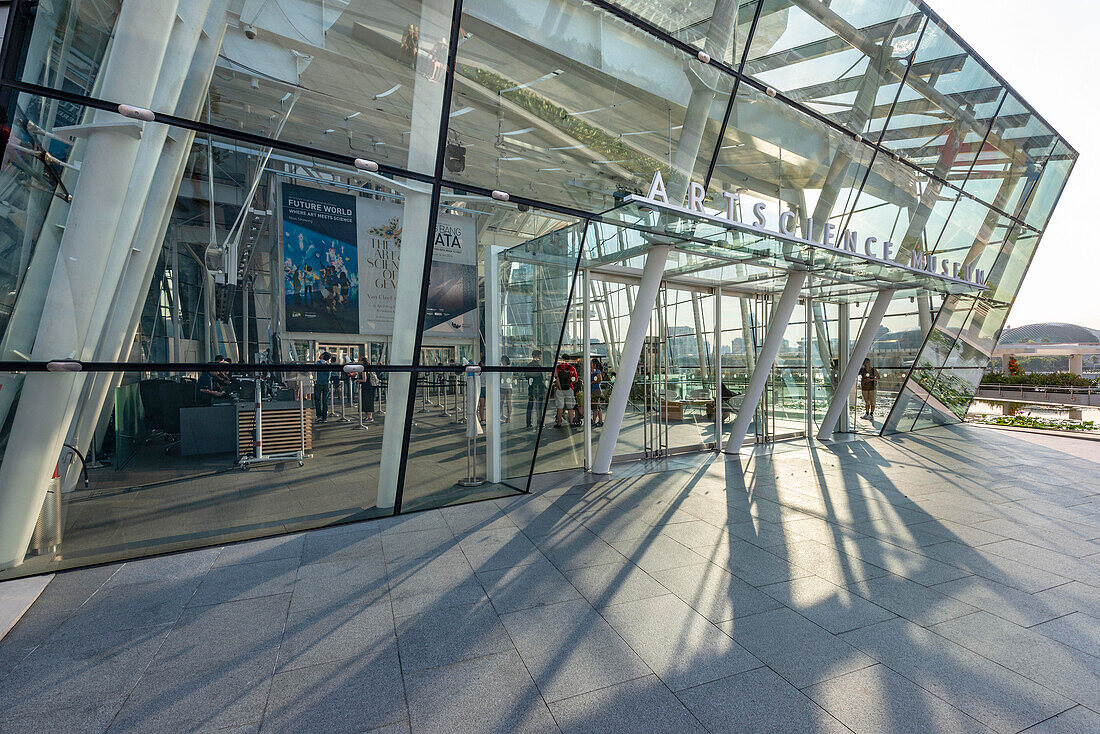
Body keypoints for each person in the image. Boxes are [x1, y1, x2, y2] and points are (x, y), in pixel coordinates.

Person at [553, 353, 578, 428]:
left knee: (559, 407)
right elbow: (575, 380)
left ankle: (559, 423)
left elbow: (555, 377)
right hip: (569, 388)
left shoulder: (557, 368)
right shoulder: (572, 368)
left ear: (562, 359)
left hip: (559, 389)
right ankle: (571, 422)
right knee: (570, 407)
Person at [525, 349, 545, 428]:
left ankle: (528, 422)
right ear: (538, 356)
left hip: (531, 387)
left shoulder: (529, 365)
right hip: (539, 387)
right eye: (540, 356)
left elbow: (526, 376)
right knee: (539, 405)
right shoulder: (539, 366)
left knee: (530, 405)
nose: (541, 357)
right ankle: (539, 421)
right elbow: (542, 377)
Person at [314, 351, 333, 421]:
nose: (320, 355)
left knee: (317, 400)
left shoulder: (317, 363)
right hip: (326, 383)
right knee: (325, 400)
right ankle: (324, 417)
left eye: (321, 354)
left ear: (323, 356)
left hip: (318, 382)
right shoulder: (328, 365)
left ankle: (319, 416)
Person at [590, 357, 606, 427]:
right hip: (595, 390)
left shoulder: (597, 372)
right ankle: (600, 421)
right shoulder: (594, 371)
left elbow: (599, 379)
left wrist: (591, 382)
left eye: (591, 363)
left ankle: (594, 421)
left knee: (595, 407)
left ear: (594, 364)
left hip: (595, 390)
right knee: (598, 407)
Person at [500, 355, 513, 423]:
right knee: (509, 403)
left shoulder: (501, 369)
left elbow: (500, 377)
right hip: (509, 387)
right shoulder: (511, 369)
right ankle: (509, 418)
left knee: (501, 402)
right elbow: (512, 379)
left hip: (502, 386)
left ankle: (499, 416)